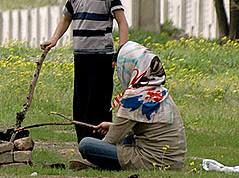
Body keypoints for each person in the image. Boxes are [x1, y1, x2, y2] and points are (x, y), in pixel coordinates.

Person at [41, 0, 129, 143]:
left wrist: (121, 52)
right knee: (80, 103)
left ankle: (102, 147)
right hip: (81, 57)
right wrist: (54, 39)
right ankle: (84, 145)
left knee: (98, 103)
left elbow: (122, 22)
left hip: (102, 58)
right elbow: (66, 18)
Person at [73, 41, 187, 171]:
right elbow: (148, 127)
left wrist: (95, 154)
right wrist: (113, 127)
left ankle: (97, 165)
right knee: (128, 139)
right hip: (173, 162)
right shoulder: (159, 92)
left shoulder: (135, 97)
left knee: (86, 145)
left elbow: (111, 140)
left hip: (151, 161)